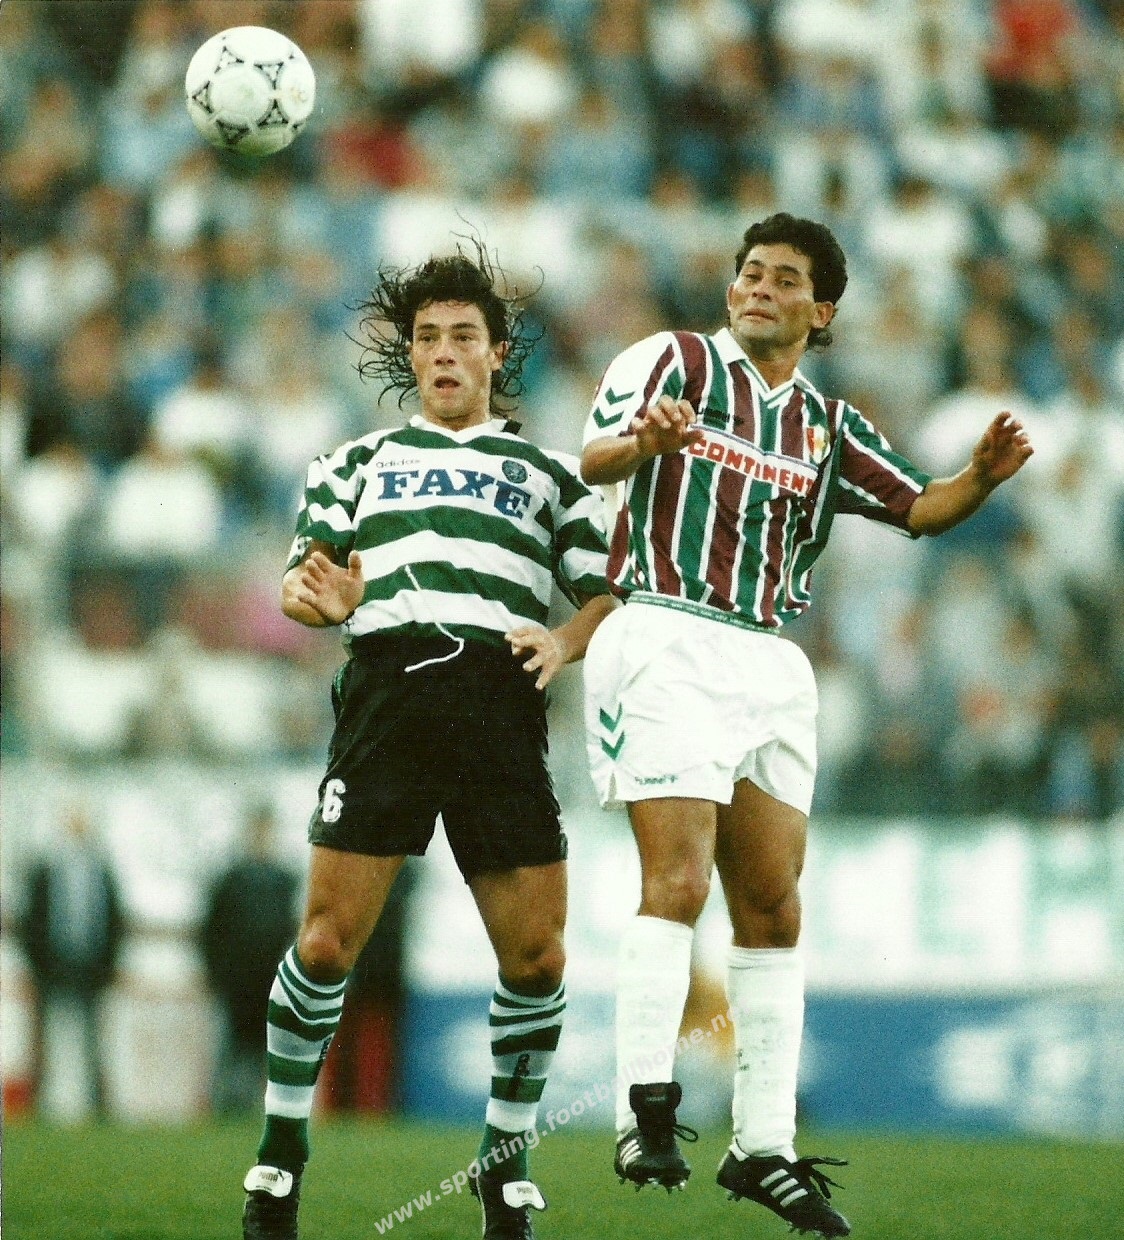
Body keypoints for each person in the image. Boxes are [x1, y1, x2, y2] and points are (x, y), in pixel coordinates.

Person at [580, 211, 1033, 1239]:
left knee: (775, 907)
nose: (758, 288)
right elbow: (591, 458)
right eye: (749, 272)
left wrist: (979, 479)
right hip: (665, 628)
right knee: (678, 880)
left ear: (820, 311)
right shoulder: (674, 359)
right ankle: (642, 1109)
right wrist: (642, 441)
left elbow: (919, 508)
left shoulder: (827, 426)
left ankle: (762, 1145)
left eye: (783, 278)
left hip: (767, 657)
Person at [240, 243, 615, 1240]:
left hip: (499, 699)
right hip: (389, 692)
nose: (444, 352)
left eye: (462, 336)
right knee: (325, 941)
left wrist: (564, 639)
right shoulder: (352, 464)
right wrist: (319, 602)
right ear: (408, 355)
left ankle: (505, 1163)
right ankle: (279, 1154)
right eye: (427, 337)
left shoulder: (550, 475)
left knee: (536, 957)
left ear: (497, 352)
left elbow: (607, 593)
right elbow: (305, 581)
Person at [20, 799, 126, 1120]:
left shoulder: (102, 870)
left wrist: (108, 965)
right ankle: (40, 1104)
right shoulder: (46, 869)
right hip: (53, 966)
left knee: (95, 1041)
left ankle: (97, 1105)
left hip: (91, 967)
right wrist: (38, 963)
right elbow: (31, 921)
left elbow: (114, 921)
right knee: (46, 1039)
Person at [200, 803, 300, 1115]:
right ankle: (225, 1103)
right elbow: (212, 930)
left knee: (265, 1046)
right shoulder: (231, 877)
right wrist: (217, 973)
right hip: (237, 980)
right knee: (232, 1044)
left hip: (271, 979)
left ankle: (258, 1105)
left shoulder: (285, 879)